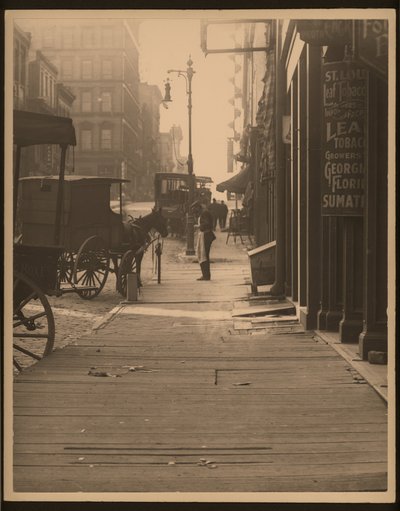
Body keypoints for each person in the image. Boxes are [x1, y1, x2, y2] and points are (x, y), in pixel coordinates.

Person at [191, 201, 216, 281]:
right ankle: (205, 274)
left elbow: (206, 224)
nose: (194, 212)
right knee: (203, 255)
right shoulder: (204, 213)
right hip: (205, 235)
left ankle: (206, 275)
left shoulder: (204, 214)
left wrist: (199, 226)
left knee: (203, 255)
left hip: (206, 235)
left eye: (195, 210)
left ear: (198, 208)